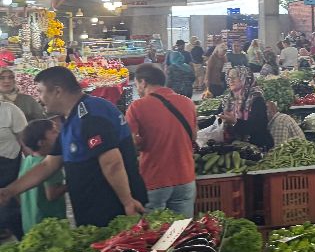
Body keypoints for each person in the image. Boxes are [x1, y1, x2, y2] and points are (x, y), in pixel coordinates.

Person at [0, 67, 146, 227]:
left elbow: (112, 163)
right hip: (91, 210)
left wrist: (127, 202)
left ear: (57, 91)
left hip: (112, 210)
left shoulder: (91, 114)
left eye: (41, 92)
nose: (39, 99)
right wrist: (9, 192)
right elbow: (48, 164)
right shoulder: (71, 118)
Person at [126, 64, 197, 217]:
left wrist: (141, 143)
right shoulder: (188, 103)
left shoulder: (137, 106)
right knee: (182, 232)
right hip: (185, 177)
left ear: (143, 82)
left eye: (137, 84)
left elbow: (129, 144)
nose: (137, 89)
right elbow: (194, 137)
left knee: (153, 235)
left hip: (154, 179)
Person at [17, 118, 66, 234]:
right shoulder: (49, 165)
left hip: (30, 221)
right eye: (54, 132)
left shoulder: (28, 160)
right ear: (41, 142)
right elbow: (52, 195)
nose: (59, 134)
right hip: (49, 225)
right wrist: (72, 183)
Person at [220, 66, 273, 150]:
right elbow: (219, 117)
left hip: (256, 145)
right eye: (229, 77)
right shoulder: (227, 100)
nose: (231, 80)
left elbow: (259, 126)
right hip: (233, 145)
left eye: (235, 77)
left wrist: (235, 122)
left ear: (245, 78)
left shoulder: (256, 98)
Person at [0, 99, 25, 238]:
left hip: (9, 168)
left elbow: (25, 141)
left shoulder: (10, 110)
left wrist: (32, 164)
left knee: (11, 212)